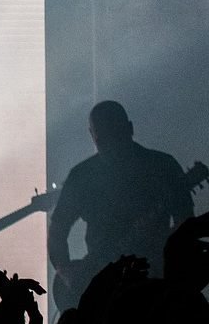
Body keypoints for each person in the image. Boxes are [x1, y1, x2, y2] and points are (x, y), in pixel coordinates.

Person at [48, 100, 195, 310]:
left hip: (152, 282)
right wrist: (66, 272)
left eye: (115, 135)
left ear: (129, 129)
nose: (110, 146)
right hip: (105, 283)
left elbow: (186, 223)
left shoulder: (161, 167)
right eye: (103, 139)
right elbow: (58, 230)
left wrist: (165, 245)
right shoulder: (82, 176)